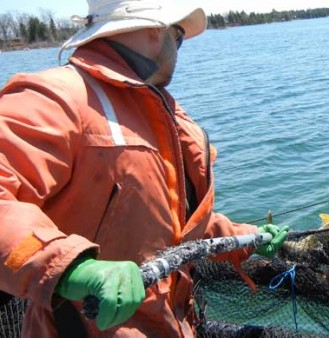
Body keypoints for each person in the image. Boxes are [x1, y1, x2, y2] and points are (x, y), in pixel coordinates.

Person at [0, 0, 288, 336]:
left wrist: (247, 238)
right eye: (178, 36)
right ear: (156, 30)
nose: (178, 49)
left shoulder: (157, 111)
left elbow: (176, 226)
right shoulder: (53, 98)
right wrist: (71, 269)